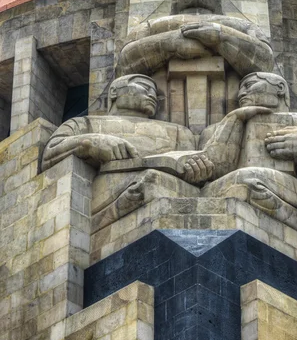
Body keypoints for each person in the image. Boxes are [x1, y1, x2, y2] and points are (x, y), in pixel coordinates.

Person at [42, 74, 212, 232]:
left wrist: (198, 171)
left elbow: (192, 162)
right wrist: (89, 143)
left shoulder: (179, 132)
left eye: (155, 92)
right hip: (114, 192)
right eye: (144, 87)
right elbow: (50, 154)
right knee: (153, 181)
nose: (153, 94)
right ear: (114, 92)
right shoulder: (84, 124)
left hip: (174, 189)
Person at [197, 72, 297, 231]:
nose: (241, 94)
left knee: (246, 180)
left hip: (295, 188)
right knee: (209, 191)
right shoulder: (218, 129)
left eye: (249, 85)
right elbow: (212, 168)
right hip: (240, 183)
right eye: (240, 89)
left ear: (279, 88)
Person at [117, 0, 274, 78]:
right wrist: (170, 42)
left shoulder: (243, 25)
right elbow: (125, 63)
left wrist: (221, 36)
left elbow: (266, 60)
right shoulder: (150, 25)